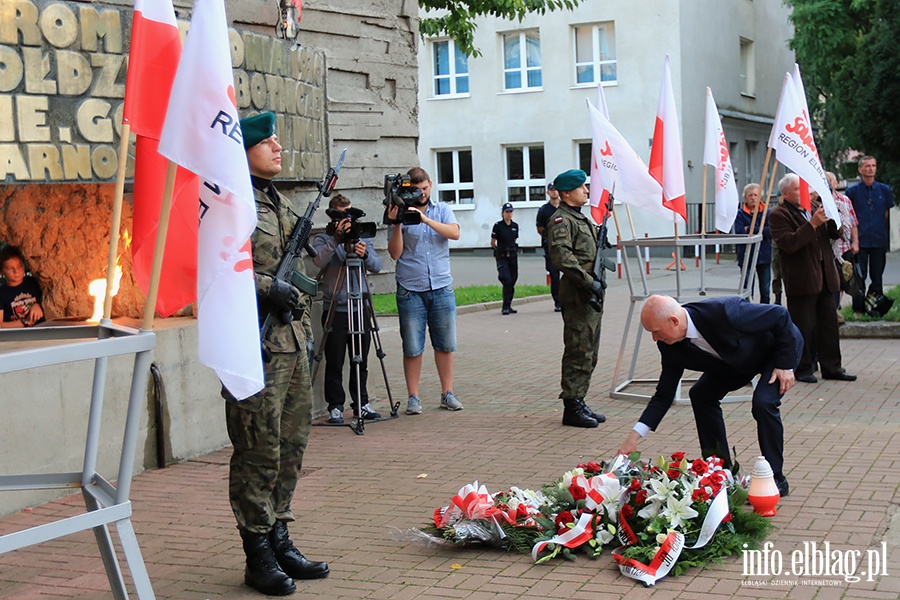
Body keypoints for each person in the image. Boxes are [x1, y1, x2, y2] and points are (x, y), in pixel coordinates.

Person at [225, 112, 328, 596]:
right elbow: (217, 268)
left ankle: (281, 535)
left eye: (276, 140)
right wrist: (269, 285)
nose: (277, 147)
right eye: (266, 142)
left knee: (291, 445)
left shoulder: (281, 202)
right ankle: (257, 552)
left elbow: (302, 269)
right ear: (242, 149)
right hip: (254, 346)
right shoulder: (229, 201)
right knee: (257, 450)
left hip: (291, 342)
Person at [615, 295, 801, 497]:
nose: (654, 338)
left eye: (656, 332)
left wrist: (785, 364)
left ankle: (775, 478)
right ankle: (720, 473)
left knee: (763, 402)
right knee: (701, 395)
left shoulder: (724, 312)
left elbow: (779, 315)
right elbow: (663, 395)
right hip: (736, 363)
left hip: (776, 350)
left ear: (674, 321)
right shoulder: (669, 345)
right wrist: (633, 438)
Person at [387, 167, 463, 415]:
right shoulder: (398, 209)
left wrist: (425, 220)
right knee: (412, 346)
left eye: (425, 189)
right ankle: (413, 397)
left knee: (445, 344)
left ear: (431, 184)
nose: (421, 194)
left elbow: (455, 233)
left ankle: (447, 393)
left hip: (441, 286)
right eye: (416, 190)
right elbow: (395, 253)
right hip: (410, 289)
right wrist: (397, 223)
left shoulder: (441, 209)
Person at [769, 173, 856, 384]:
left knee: (829, 324)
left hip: (825, 276)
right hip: (802, 279)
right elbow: (789, 243)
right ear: (786, 192)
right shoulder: (779, 214)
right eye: (798, 189)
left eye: (805, 189)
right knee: (803, 326)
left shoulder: (815, 207)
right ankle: (802, 367)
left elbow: (837, 234)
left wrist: (832, 213)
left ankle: (832, 367)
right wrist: (812, 225)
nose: (804, 193)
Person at [312, 194, 383, 424]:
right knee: (334, 360)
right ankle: (335, 406)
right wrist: (336, 239)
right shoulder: (323, 239)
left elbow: (377, 266)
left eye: (350, 215)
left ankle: (361, 403)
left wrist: (365, 254)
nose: (347, 221)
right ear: (332, 216)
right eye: (342, 216)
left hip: (358, 306)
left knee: (359, 359)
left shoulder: (362, 237)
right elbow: (318, 263)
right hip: (335, 307)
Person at [546, 169, 606, 428]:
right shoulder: (561, 221)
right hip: (578, 294)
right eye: (582, 188)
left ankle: (579, 398)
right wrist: (588, 281)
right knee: (578, 349)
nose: (587, 191)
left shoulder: (580, 219)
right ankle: (571, 406)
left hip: (591, 294)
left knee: (589, 351)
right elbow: (563, 259)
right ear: (567, 193)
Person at [845, 156, 894, 315]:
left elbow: (886, 213)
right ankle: (858, 309)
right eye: (867, 166)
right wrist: (854, 240)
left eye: (873, 165)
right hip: (861, 241)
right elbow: (850, 216)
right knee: (859, 276)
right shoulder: (852, 192)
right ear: (860, 170)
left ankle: (875, 307)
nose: (870, 169)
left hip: (879, 239)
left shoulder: (884, 190)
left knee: (877, 275)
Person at [826, 171, 859, 323]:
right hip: (827, 248)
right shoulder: (820, 201)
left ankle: (834, 309)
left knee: (842, 281)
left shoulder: (844, 200)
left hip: (843, 247)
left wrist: (855, 242)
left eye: (830, 180)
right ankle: (832, 311)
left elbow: (852, 223)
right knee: (832, 281)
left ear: (835, 183)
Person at [734, 183, 772, 303]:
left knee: (765, 289)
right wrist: (759, 230)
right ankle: (748, 312)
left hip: (764, 255)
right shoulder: (740, 214)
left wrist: (751, 228)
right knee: (747, 288)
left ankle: (765, 311)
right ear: (745, 197)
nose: (753, 198)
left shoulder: (767, 213)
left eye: (756, 195)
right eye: (750, 195)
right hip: (746, 256)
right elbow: (740, 233)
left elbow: (770, 231)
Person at [0, 245, 45, 328]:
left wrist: (38, 306)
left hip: (42, 332)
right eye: (10, 268)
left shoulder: (33, 282)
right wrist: (25, 322)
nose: (16, 271)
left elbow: (48, 301)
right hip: (18, 337)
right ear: (1, 272)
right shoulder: (2, 293)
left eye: (19, 266)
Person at [536, 183, 562, 312]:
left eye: (556, 189)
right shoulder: (544, 210)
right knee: (554, 275)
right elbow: (539, 228)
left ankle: (568, 299)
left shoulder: (565, 207)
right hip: (551, 247)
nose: (554, 192)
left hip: (565, 246)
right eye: (552, 190)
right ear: (548, 193)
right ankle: (558, 302)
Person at [491, 202, 519, 315]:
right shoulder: (498, 226)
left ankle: (509, 305)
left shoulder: (515, 226)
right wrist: (499, 251)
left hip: (512, 256)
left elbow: (514, 240)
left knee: (512, 280)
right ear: (502, 213)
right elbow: (493, 242)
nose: (509, 214)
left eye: (511, 212)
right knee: (506, 279)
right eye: (507, 212)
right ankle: (505, 306)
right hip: (502, 256)